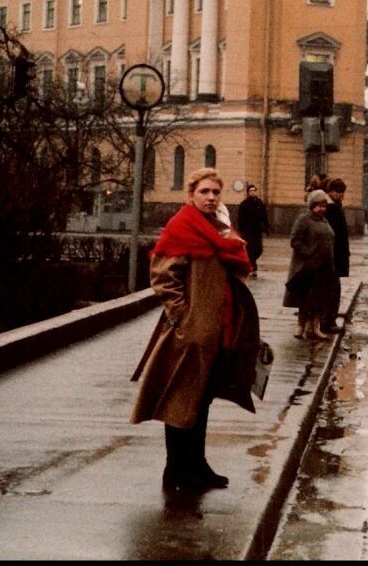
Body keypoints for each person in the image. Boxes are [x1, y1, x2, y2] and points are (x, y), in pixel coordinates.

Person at [129, 167, 261, 494]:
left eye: (216, 192)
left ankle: (197, 466)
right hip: (191, 333)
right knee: (181, 402)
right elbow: (162, 277)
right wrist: (183, 318)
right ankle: (175, 470)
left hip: (221, 329)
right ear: (191, 194)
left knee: (202, 400)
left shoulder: (217, 227)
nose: (211, 197)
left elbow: (238, 263)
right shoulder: (182, 226)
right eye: (204, 192)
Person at [282, 189, 336, 340]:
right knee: (305, 299)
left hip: (323, 268)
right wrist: (308, 253)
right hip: (307, 267)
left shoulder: (325, 222)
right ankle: (300, 325)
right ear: (312, 205)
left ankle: (314, 327)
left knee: (320, 298)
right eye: (318, 205)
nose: (322, 209)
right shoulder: (303, 219)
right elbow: (295, 240)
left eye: (324, 206)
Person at [321, 177, 350, 334]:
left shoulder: (334, 206)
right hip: (332, 256)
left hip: (336, 254)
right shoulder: (331, 209)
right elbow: (332, 235)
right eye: (339, 192)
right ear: (331, 192)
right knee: (332, 290)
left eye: (343, 192)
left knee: (334, 289)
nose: (342, 195)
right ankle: (327, 321)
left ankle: (328, 319)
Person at [236, 183, 270, 277]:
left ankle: (251, 262)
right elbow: (240, 218)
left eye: (254, 190)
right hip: (248, 231)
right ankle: (253, 267)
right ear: (248, 192)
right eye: (251, 191)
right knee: (250, 249)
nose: (253, 192)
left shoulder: (259, 203)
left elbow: (264, 216)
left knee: (259, 249)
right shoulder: (244, 204)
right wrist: (241, 231)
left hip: (257, 231)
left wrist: (266, 228)